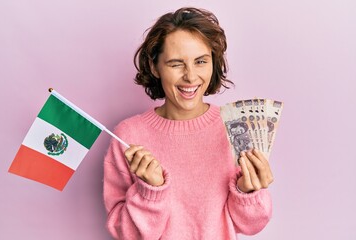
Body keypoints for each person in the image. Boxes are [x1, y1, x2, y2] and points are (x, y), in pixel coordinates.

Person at [103, 7, 274, 240]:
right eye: (176, 64)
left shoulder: (234, 127)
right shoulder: (129, 135)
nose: (191, 76)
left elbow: (250, 226)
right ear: (155, 67)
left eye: (201, 61)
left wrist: (248, 192)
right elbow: (125, 233)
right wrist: (149, 192)